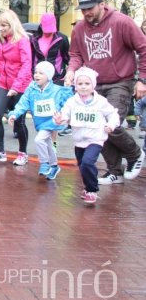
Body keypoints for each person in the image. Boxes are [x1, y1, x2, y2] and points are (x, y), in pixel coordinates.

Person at [64, 0, 146, 184]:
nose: (86, 13)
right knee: (97, 127)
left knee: (112, 123)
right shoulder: (79, 28)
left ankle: (135, 154)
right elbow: (75, 54)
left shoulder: (122, 22)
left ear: (102, 4)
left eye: (90, 8)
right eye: (82, 10)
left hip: (120, 80)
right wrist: (71, 71)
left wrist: (142, 79)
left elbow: (143, 48)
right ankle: (115, 171)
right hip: (94, 83)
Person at [54, 68, 120, 204]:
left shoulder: (101, 101)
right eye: (80, 84)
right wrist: (59, 119)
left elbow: (113, 114)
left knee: (88, 162)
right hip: (79, 140)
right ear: (75, 85)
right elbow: (65, 116)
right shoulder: (72, 101)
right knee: (82, 165)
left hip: (96, 138)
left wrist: (111, 125)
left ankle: (92, 190)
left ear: (93, 85)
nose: (83, 87)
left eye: (87, 84)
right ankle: (88, 187)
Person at [0, 10, 32, 165]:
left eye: (4, 25)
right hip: (4, 82)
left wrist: (16, 87)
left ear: (12, 24)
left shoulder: (22, 40)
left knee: (18, 120)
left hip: (21, 84)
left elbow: (26, 64)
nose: (1, 28)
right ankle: (0, 151)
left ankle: (23, 153)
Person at [8, 61, 73, 179]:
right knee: (48, 143)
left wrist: (68, 88)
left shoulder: (57, 90)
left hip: (52, 121)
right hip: (40, 122)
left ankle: (44, 163)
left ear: (48, 77)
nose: (37, 75)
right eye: (36, 72)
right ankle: (54, 166)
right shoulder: (31, 89)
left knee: (39, 140)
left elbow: (69, 102)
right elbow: (23, 103)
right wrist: (14, 114)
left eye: (41, 73)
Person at [31, 14, 69, 85]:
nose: (48, 33)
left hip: (57, 78)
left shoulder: (62, 38)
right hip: (38, 79)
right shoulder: (34, 39)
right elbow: (31, 59)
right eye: (46, 30)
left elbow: (68, 58)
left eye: (50, 30)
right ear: (41, 26)